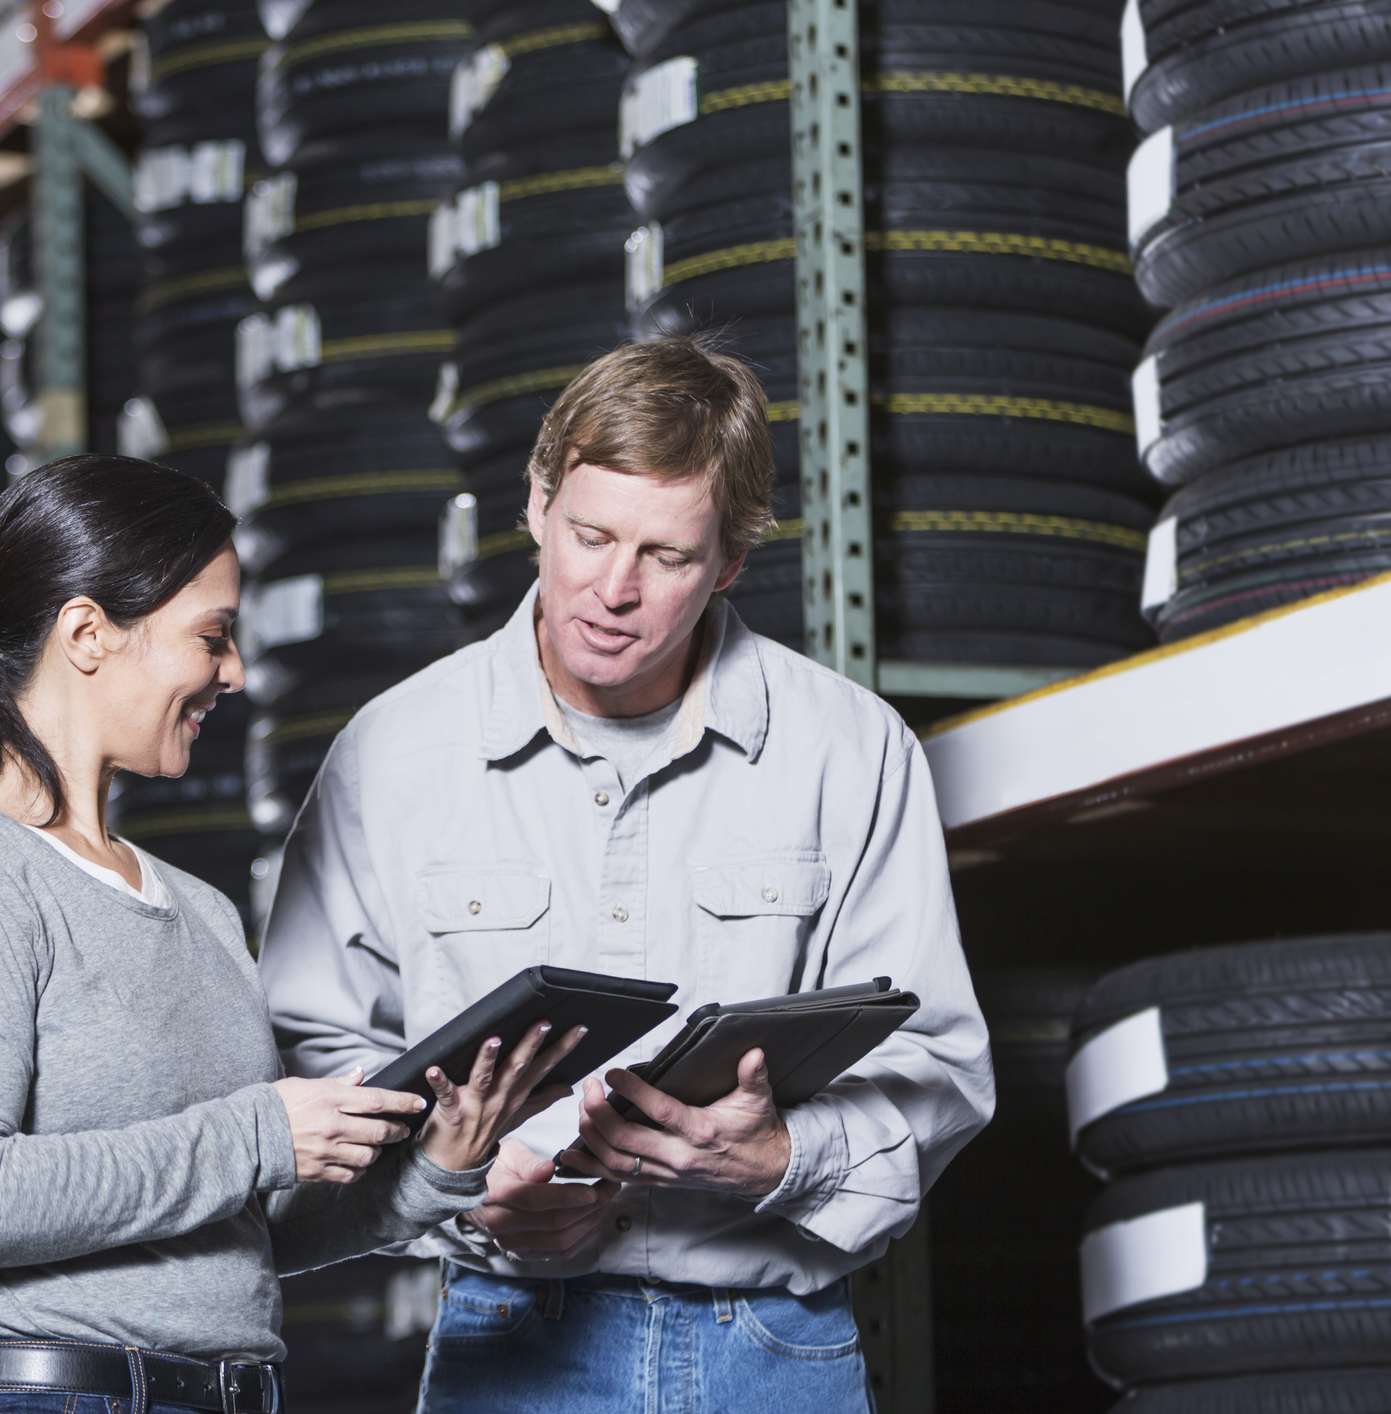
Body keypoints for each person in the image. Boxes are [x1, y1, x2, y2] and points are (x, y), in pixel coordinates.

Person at [257, 338, 995, 1412]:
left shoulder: (851, 749)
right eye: (590, 536)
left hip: (774, 1350)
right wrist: (461, 1183)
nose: (613, 589)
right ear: (535, 505)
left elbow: (941, 1062)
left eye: (667, 556)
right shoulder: (395, 752)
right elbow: (313, 1053)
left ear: (732, 562)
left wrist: (783, 1156)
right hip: (508, 1341)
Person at [0, 456, 584, 1414]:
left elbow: (239, 1225)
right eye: (211, 636)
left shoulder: (199, 909)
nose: (234, 672)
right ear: (89, 633)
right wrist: (259, 1130)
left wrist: (440, 1163)